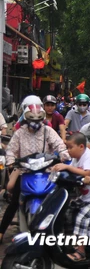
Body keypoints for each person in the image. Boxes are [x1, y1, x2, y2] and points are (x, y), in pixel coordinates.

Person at [0, 103, 70, 243]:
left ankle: (61, 231)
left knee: (60, 197)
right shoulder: (20, 133)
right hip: (24, 169)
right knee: (13, 198)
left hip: (46, 170)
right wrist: (11, 161)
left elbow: (59, 145)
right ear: (26, 119)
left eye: (38, 120)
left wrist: (63, 154)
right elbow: (11, 150)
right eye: (32, 119)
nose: (35, 123)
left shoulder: (48, 131)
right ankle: (1, 231)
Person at [52, 133, 90, 262]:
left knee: (82, 218)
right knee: (67, 211)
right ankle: (69, 243)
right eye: (67, 148)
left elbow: (87, 173)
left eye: (70, 147)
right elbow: (72, 171)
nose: (68, 151)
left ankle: (81, 252)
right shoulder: (76, 157)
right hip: (86, 197)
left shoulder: (88, 155)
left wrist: (67, 166)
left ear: (81, 146)